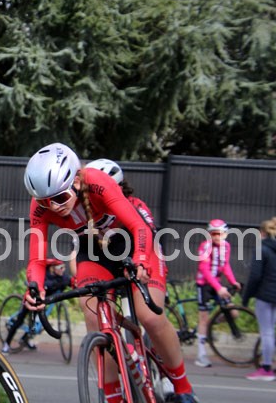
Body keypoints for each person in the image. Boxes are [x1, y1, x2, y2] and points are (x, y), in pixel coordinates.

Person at [23, 143, 197, 403]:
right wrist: (36, 287)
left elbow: (139, 226)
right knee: (93, 314)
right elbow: (36, 259)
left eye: (59, 198)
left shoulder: (96, 182)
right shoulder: (40, 206)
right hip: (94, 251)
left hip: (132, 242)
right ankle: (114, 396)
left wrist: (140, 259)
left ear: (76, 181)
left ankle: (183, 388)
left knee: (149, 316)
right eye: (45, 202)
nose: (54, 206)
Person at [194, 218, 241, 368]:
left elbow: (225, 265)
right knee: (203, 318)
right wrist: (219, 288)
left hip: (217, 285)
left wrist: (233, 281)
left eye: (219, 234)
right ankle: (201, 355)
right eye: (213, 234)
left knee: (233, 312)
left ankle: (210, 325)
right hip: (204, 285)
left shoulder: (226, 246)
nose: (216, 237)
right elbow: (204, 269)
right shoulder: (205, 246)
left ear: (225, 234)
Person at [1, 258, 73, 354]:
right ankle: (6, 344)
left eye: (64, 267)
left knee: (36, 324)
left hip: (43, 303)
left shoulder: (62, 277)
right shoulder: (43, 275)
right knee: (19, 320)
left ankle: (24, 339)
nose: (63, 270)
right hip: (32, 300)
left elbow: (70, 281)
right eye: (61, 267)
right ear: (52, 268)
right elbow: (43, 283)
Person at [242, 217, 276, 381]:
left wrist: (246, 297)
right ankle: (268, 365)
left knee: (266, 332)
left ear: (263, 233)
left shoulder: (261, 249)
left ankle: (266, 369)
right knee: (270, 330)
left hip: (264, 294)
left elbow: (255, 276)